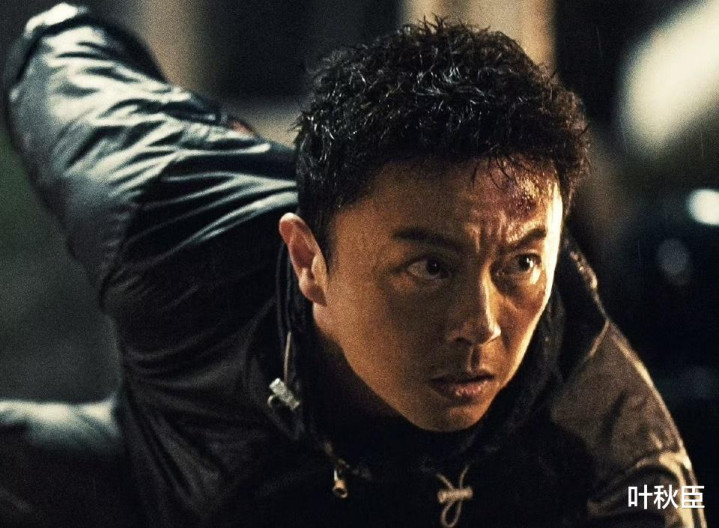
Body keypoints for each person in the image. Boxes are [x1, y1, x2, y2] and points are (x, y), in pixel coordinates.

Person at [0, 3, 706, 528]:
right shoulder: (175, 221)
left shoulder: (610, 449)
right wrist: (213, 137)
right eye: (430, 269)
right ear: (308, 260)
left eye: (521, 264)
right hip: (150, 492)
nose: (481, 326)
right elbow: (56, 47)